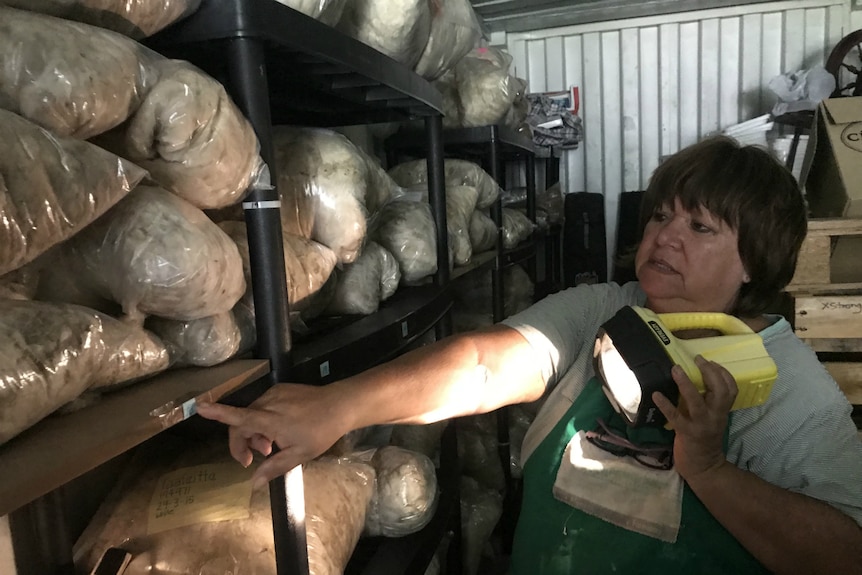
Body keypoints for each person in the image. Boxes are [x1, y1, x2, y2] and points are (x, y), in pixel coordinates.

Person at [197, 136, 862, 574]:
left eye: (699, 226)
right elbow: (485, 364)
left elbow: (844, 552)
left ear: (756, 261)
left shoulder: (791, 386)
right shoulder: (608, 306)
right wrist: (334, 408)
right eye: (661, 215)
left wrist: (710, 469)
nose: (665, 236)